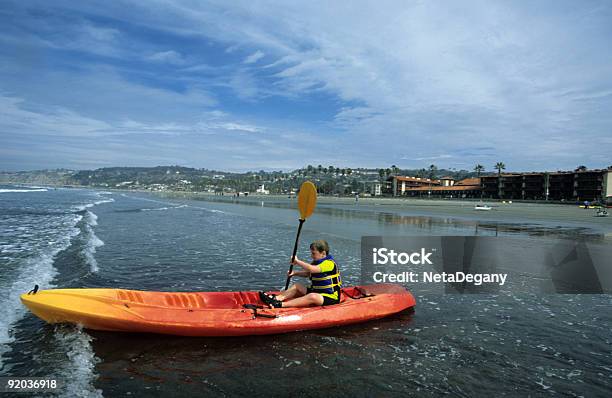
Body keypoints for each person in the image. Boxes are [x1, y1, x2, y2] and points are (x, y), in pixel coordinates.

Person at [260, 240, 342, 308]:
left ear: (323, 253)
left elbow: (312, 269)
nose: (311, 256)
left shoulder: (329, 263)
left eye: (313, 253)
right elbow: (308, 273)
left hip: (331, 297)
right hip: (318, 291)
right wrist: (294, 273)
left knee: (312, 296)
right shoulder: (316, 262)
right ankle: (276, 298)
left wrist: (297, 261)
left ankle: (280, 304)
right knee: (297, 286)